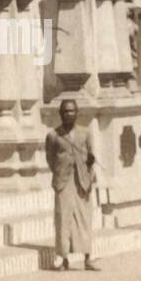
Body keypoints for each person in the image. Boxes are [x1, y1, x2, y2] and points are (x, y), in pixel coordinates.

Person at [45, 98, 99, 270]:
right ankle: (63, 258)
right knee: (63, 219)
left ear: (77, 113)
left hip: (82, 181)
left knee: (84, 218)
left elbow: (91, 157)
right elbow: (50, 159)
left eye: (72, 111)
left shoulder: (85, 133)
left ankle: (88, 258)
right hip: (63, 182)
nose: (69, 114)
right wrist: (60, 172)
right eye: (65, 111)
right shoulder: (53, 135)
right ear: (60, 114)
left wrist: (89, 176)